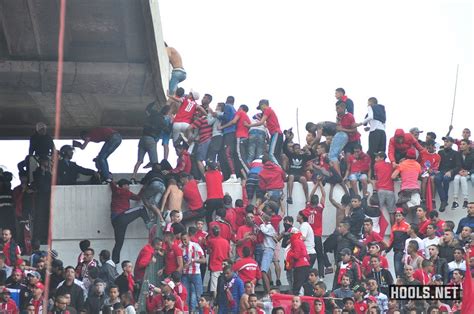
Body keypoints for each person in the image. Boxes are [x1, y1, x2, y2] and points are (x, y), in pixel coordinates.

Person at [110, 179, 150, 264]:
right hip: (121, 216)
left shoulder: (116, 190)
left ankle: (114, 263)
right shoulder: (126, 192)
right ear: (123, 186)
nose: (128, 187)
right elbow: (138, 198)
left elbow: (112, 184)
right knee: (141, 208)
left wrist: (111, 180)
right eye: (127, 185)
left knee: (118, 243)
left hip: (115, 221)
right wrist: (143, 189)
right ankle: (149, 224)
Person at [132, 103, 171, 180]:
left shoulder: (154, 113)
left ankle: (133, 176)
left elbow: (147, 108)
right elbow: (168, 131)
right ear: (166, 113)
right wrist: (171, 122)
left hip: (142, 139)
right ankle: (154, 177)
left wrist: (154, 102)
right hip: (150, 140)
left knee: (139, 161)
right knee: (155, 163)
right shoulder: (162, 121)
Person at [302, 185, 332, 277]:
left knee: (308, 256)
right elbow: (324, 195)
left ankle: (307, 275)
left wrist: (315, 185)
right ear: (317, 201)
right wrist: (320, 184)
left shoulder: (307, 208)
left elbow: (311, 194)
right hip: (317, 235)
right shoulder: (319, 209)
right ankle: (321, 277)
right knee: (320, 256)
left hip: (308, 237)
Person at [218, 104, 251, 176]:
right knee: (243, 156)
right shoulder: (247, 117)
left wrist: (222, 127)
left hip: (240, 136)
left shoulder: (240, 112)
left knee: (240, 157)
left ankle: (249, 174)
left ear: (241, 108)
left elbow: (233, 121)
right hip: (246, 138)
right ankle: (244, 175)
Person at [329, 101, 359, 178]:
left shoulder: (349, 116)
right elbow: (338, 128)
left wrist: (343, 129)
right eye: (336, 108)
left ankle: (355, 174)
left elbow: (354, 130)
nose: (337, 110)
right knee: (347, 159)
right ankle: (347, 176)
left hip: (354, 140)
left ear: (343, 107)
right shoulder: (338, 116)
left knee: (355, 158)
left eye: (338, 108)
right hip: (347, 142)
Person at [249, 99, 283, 166]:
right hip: (276, 134)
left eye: (261, 108)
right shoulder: (270, 112)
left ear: (263, 105)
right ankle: (278, 170)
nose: (261, 110)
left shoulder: (267, 110)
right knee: (276, 154)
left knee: (271, 154)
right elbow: (267, 124)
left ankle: (280, 170)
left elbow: (261, 122)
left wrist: (249, 125)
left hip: (276, 133)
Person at [357, 97, 386, 175]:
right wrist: (369, 128)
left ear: (370, 102)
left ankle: (371, 173)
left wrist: (361, 123)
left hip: (375, 132)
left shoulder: (371, 107)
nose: (367, 105)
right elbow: (381, 124)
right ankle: (381, 172)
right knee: (381, 153)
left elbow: (370, 117)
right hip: (382, 133)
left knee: (372, 152)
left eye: (368, 103)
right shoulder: (382, 110)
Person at [283, 131, 312, 204]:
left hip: (299, 175)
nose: (298, 150)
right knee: (291, 176)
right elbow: (284, 148)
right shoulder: (291, 155)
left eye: (299, 148)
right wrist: (287, 139)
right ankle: (290, 197)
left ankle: (307, 198)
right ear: (293, 149)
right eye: (296, 148)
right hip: (291, 174)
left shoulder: (303, 156)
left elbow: (313, 156)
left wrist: (309, 149)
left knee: (303, 179)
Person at [435, 136, 461, 211]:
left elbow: (458, 166)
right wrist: (436, 170)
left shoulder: (456, 153)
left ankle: (444, 201)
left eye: (447, 141)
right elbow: (437, 164)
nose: (445, 143)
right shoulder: (440, 152)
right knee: (437, 179)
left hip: (450, 172)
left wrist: (451, 171)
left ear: (452, 143)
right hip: (441, 171)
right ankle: (444, 200)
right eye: (445, 141)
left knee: (446, 179)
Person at [180, 232, 205, 312]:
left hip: (195, 274)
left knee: (199, 296)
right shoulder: (179, 247)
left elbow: (204, 260)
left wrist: (194, 260)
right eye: (182, 240)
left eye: (185, 239)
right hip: (185, 274)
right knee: (185, 296)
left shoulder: (195, 246)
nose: (184, 241)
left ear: (189, 238)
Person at [206, 226, 230, 297]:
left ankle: (215, 301)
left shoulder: (211, 241)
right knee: (225, 285)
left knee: (214, 287)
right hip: (224, 265)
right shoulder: (226, 241)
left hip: (215, 265)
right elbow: (229, 253)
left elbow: (208, 251)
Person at [285, 230, 310, 295]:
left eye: (290, 234)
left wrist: (290, 254)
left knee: (296, 286)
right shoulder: (300, 241)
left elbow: (296, 255)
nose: (289, 236)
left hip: (299, 266)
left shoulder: (295, 241)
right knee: (304, 284)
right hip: (305, 264)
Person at [386, 209, 409, 278]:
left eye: (399, 215)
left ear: (403, 217)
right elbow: (392, 240)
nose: (398, 217)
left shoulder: (407, 226)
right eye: (396, 216)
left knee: (406, 273)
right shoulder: (394, 227)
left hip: (405, 252)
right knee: (398, 273)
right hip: (396, 252)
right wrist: (387, 251)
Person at [452, 139, 473, 209]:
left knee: (463, 179)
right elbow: (457, 164)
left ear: (468, 145)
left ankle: (465, 200)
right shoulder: (458, 153)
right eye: (461, 144)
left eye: (463, 144)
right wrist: (460, 171)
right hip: (461, 172)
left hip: (469, 173)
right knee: (456, 178)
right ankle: (455, 201)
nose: (461, 146)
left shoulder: (473, 154)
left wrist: (468, 172)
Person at [259, 214, 277, 293]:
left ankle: (268, 292)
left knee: (263, 271)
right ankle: (267, 290)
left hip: (268, 249)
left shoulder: (269, 227)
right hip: (266, 250)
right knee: (265, 269)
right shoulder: (269, 227)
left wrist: (261, 224)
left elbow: (264, 231)